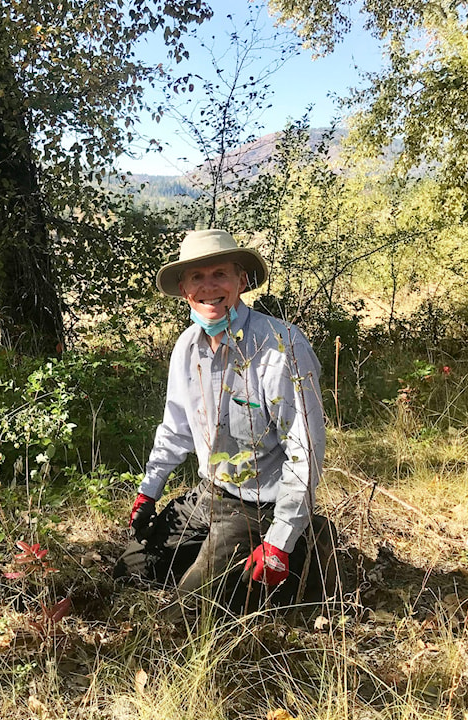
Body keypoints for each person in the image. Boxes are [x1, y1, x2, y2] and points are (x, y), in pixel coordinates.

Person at [114, 229, 338, 618]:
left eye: (219, 274)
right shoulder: (187, 347)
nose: (208, 287)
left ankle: (300, 545)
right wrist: (149, 491)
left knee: (185, 617)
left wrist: (280, 541)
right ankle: (238, 566)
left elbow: (305, 454)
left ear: (242, 280)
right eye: (197, 277)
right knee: (132, 572)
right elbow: (175, 429)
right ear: (184, 288)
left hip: (258, 505)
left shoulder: (281, 347)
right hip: (208, 496)